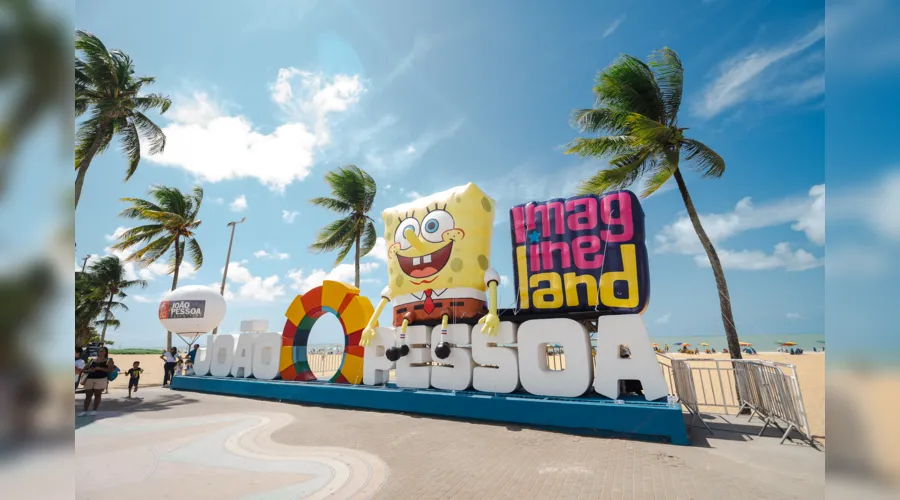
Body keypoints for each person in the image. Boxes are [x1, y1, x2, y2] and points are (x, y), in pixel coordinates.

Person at [79, 346, 113, 416]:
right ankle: (84, 411)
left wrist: (100, 368)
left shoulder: (108, 360)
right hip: (89, 378)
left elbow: (110, 370)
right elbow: (84, 369)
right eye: (100, 351)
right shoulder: (92, 360)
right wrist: (89, 370)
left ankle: (94, 410)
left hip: (101, 379)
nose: (101, 352)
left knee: (97, 395)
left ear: (106, 352)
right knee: (88, 395)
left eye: (103, 351)